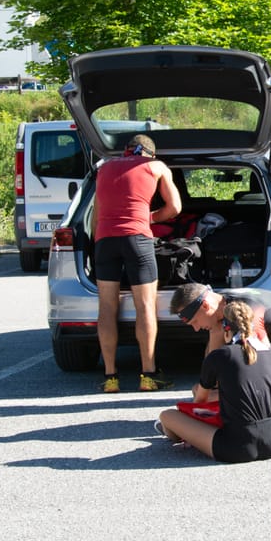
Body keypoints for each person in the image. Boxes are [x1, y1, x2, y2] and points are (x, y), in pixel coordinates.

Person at [93, 134, 182, 393]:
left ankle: (110, 377)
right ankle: (149, 375)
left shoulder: (104, 168)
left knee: (107, 307)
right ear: (151, 154)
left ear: (126, 150)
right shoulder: (156, 167)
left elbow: (96, 216)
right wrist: (149, 218)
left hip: (105, 241)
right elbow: (175, 207)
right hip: (137, 240)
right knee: (145, 306)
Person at [156, 301, 271, 462]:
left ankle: (176, 433)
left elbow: (199, 404)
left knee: (167, 416)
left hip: (237, 447)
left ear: (226, 331)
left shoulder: (219, 356)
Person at [170, 283, 271, 421]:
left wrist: (224, 394)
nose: (196, 328)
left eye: (195, 321)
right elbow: (214, 357)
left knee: (240, 353)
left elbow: (260, 363)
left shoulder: (247, 311)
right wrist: (209, 387)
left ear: (206, 305)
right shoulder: (221, 303)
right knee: (204, 390)